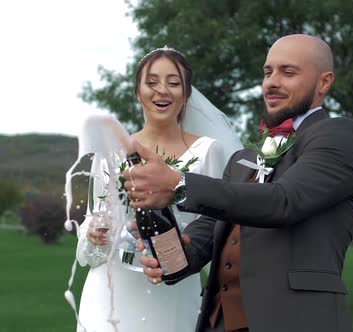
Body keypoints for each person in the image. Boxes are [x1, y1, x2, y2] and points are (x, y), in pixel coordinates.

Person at [124, 34, 353, 332]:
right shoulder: (242, 160)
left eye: (288, 72)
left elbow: (283, 201)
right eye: (268, 72)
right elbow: (202, 239)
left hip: (297, 320)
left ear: (324, 82)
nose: (272, 82)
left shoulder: (339, 137)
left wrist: (179, 183)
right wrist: (163, 250)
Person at [74, 47, 243, 332]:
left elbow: (217, 226)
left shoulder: (207, 152)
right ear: (138, 91)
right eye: (151, 82)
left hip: (172, 291)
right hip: (110, 292)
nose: (161, 91)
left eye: (173, 83)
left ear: (186, 93)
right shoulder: (111, 153)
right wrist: (93, 233)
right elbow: (94, 220)